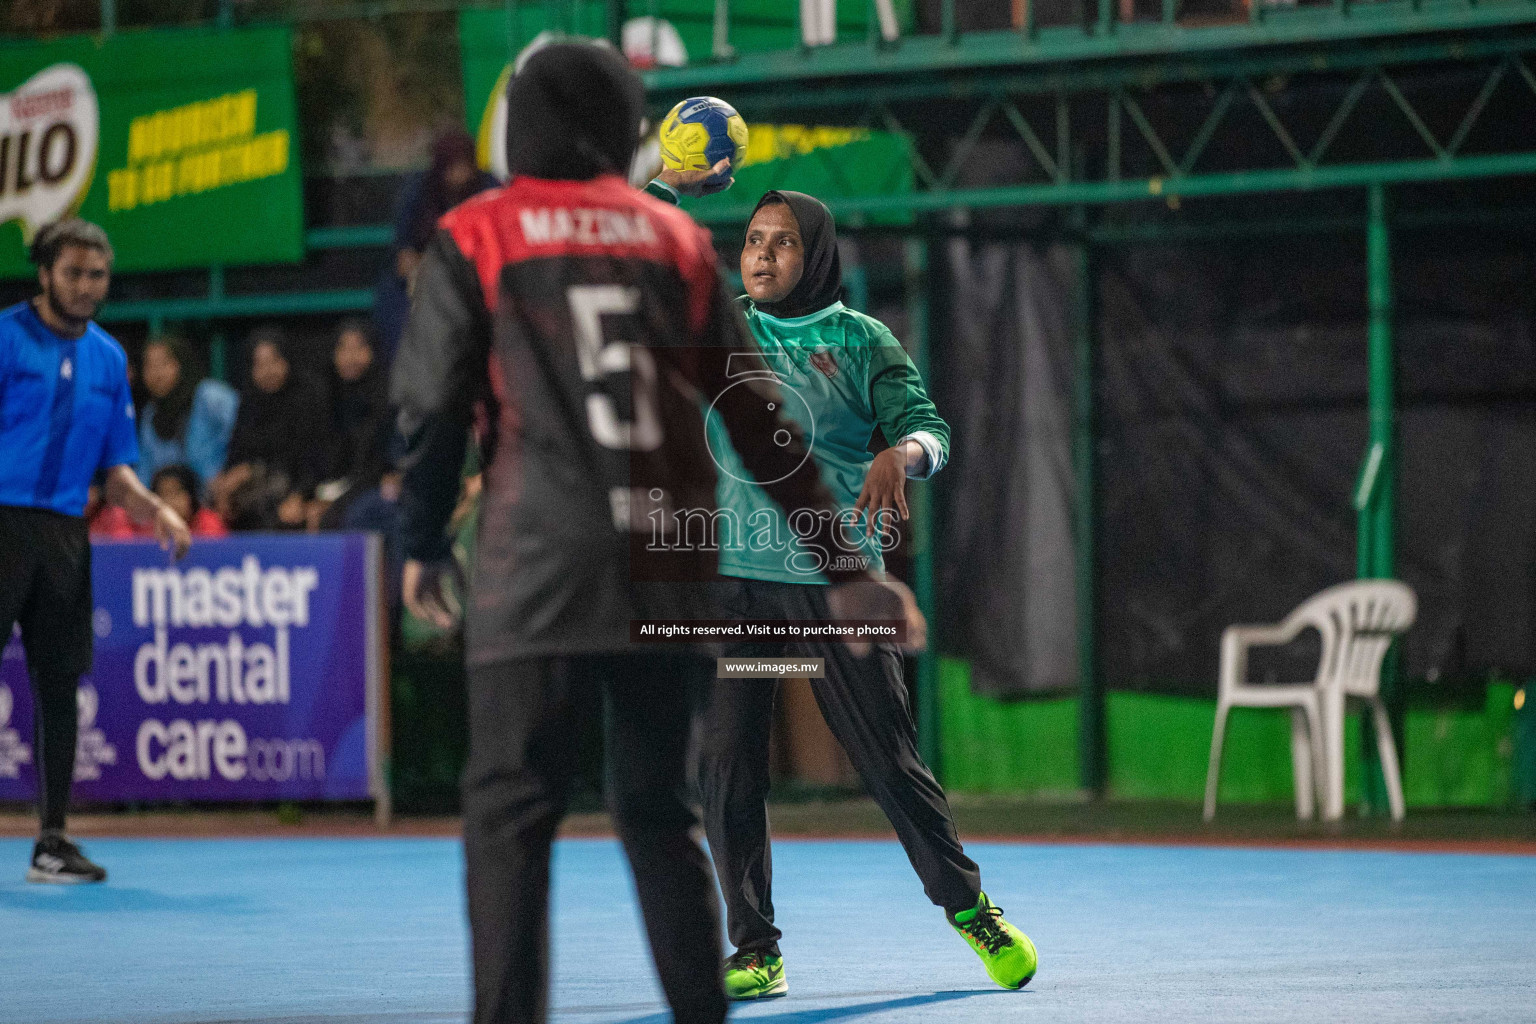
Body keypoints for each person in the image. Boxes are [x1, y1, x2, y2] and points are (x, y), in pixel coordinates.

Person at [391, 42, 923, 1024]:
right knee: (658, 813)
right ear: (628, 127)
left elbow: (430, 410)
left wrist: (419, 542)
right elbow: (760, 415)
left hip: (532, 561)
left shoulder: (474, 233)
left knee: (510, 821)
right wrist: (847, 567)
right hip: (665, 561)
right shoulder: (668, 241)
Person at [649, 185, 1039, 996]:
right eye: (752, 239)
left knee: (889, 761)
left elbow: (932, 429)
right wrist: (664, 189)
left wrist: (908, 454)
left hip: (835, 590)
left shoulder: (862, 341)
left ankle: (971, 911)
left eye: (782, 242)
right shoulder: (723, 325)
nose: (760, 253)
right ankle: (755, 950)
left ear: (816, 254)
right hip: (735, 597)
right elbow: (649, 267)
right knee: (726, 763)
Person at [0, 219, 191, 884]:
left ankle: (52, 842)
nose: (86, 286)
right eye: (74, 272)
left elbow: (116, 470)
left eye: (97, 275)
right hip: (1, 523)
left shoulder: (111, 359)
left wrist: (157, 508)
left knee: (58, 689)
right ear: (45, 273)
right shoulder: (4, 337)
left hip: (63, 536)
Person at [374, 130, 499, 361]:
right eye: (452, 167)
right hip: (428, 281)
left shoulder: (490, 188)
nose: (460, 175)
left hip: (482, 279)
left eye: (465, 166)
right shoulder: (419, 191)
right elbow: (404, 259)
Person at [211, 327, 328, 531]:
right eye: (260, 365)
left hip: (300, 490)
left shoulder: (308, 398)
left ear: (287, 361)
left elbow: (316, 459)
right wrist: (226, 485)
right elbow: (237, 453)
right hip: (254, 493)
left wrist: (299, 495)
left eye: (275, 361)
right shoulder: (249, 403)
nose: (268, 371)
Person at [312, 319, 393, 531]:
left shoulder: (386, 398)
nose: (351, 357)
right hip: (331, 488)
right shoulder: (325, 397)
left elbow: (378, 466)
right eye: (343, 348)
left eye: (359, 348)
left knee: (343, 517)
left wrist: (337, 501)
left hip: (372, 486)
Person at [135, 334, 239, 496]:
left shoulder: (210, 397)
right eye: (150, 366)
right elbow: (145, 472)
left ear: (183, 363)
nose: (157, 373)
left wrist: (229, 476)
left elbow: (244, 436)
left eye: (164, 364)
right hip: (173, 508)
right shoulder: (151, 414)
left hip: (223, 499)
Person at [151, 465, 228, 538]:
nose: (170, 501)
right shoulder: (148, 528)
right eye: (164, 494)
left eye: (177, 493)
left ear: (191, 495)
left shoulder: (209, 525)